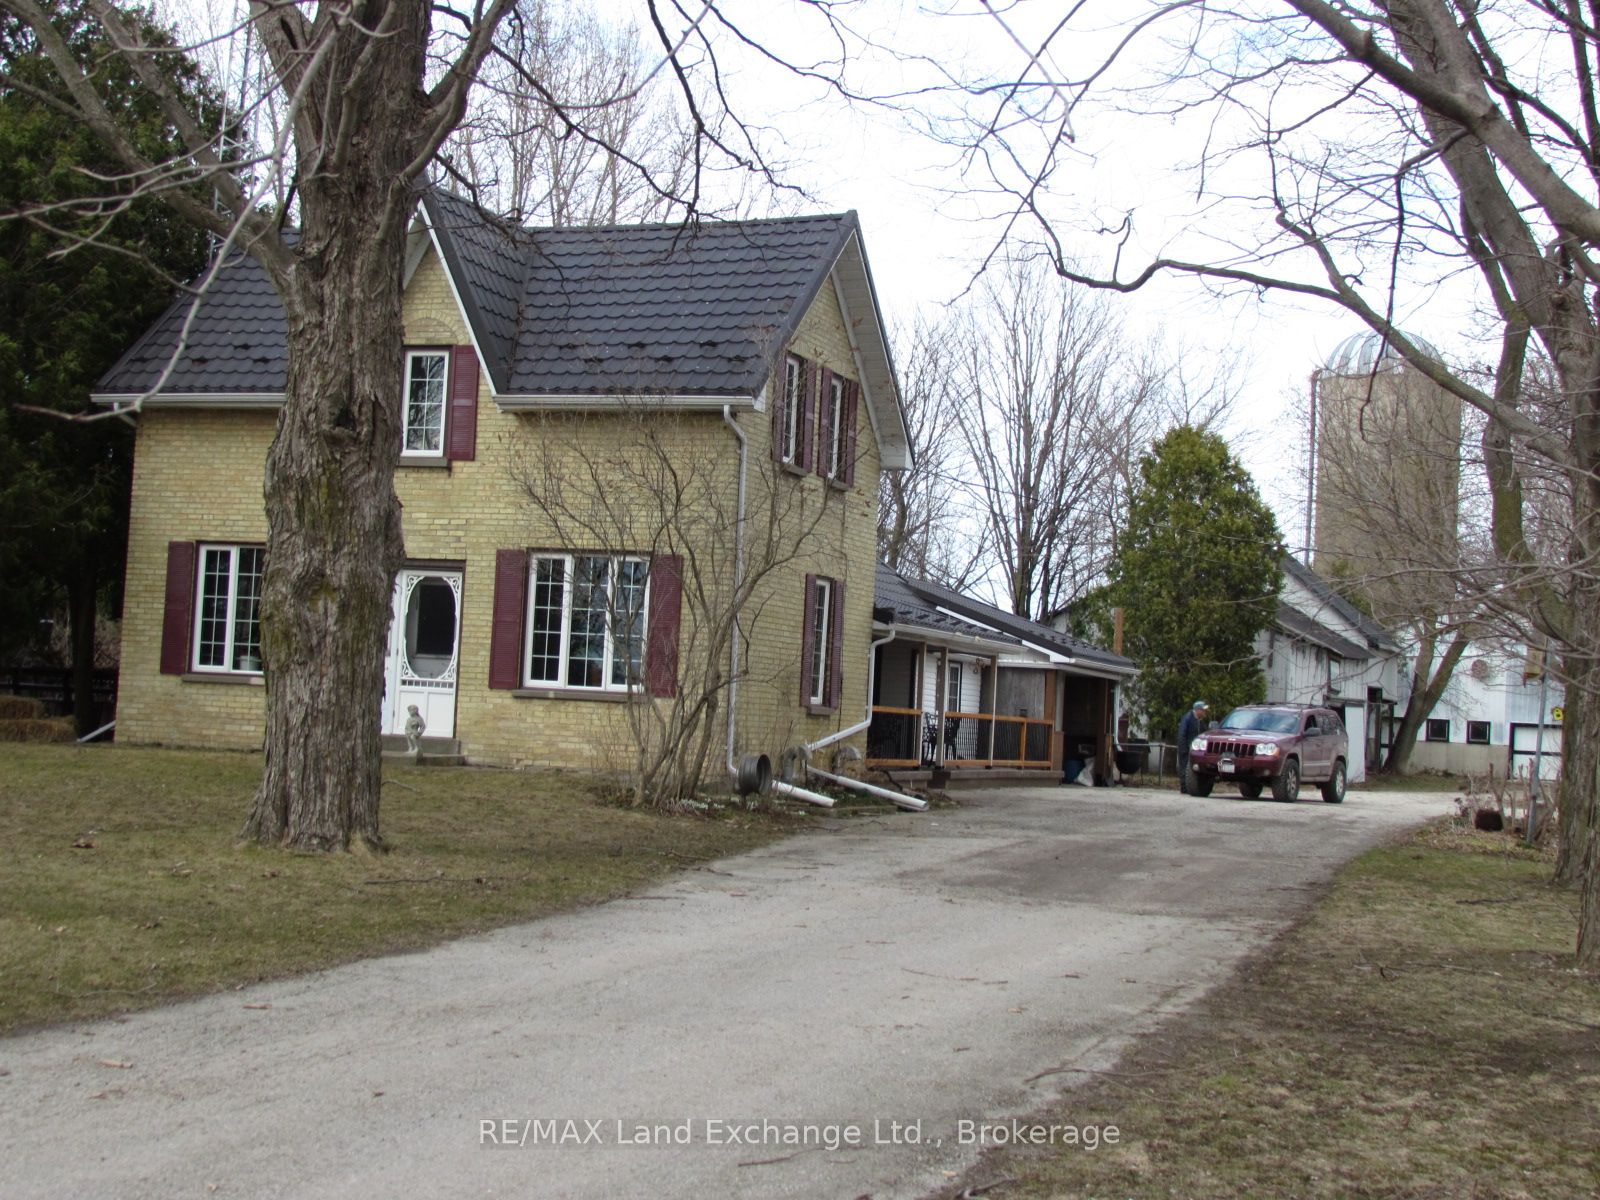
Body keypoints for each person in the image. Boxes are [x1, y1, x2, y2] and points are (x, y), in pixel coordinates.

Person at [1177, 700, 1208, 794]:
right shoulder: (1187, 718)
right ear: (1198, 710)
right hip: (1186, 749)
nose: (1204, 712)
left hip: (1194, 749)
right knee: (1184, 767)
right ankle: (1184, 788)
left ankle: (1192, 787)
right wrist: (1184, 749)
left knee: (1191, 768)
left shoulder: (1200, 721)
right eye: (1203, 710)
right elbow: (1182, 734)